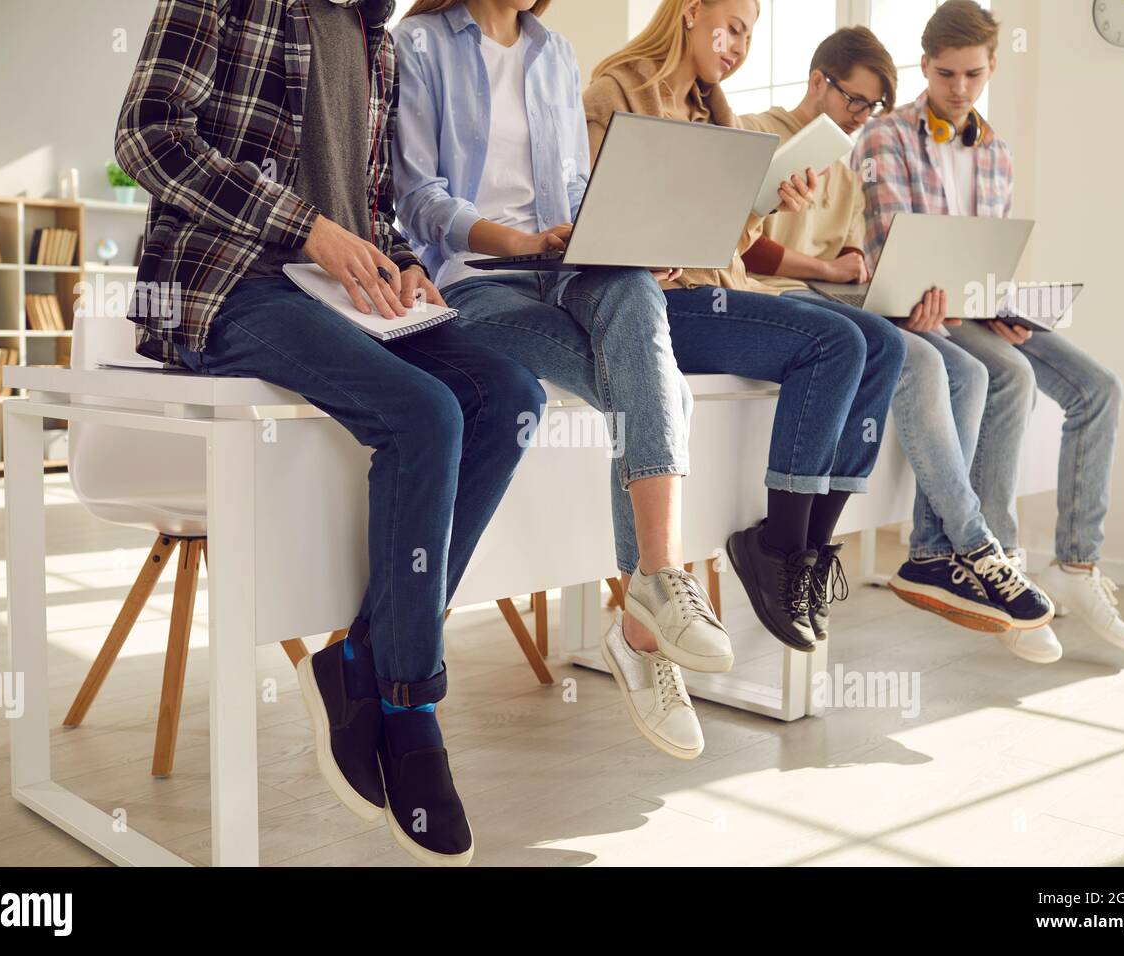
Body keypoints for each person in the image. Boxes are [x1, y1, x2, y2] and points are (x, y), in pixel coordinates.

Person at [115, 0, 548, 866]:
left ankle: (357, 656)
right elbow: (147, 137)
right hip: (230, 281)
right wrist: (307, 228)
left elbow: (366, 207)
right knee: (423, 413)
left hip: (344, 295)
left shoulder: (374, 39)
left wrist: (403, 261)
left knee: (509, 393)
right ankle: (408, 703)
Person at [392, 0, 729, 763]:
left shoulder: (558, 53)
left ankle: (654, 591)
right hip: (476, 281)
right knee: (656, 389)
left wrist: (630, 239)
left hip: (573, 267)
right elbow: (416, 194)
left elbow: (577, 192)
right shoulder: (416, 44)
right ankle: (645, 623)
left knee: (641, 298)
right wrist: (516, 239)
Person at [584, 0, 906, 652]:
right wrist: (667, 237)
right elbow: (597, 221)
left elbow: (724, 242)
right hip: (657, 304)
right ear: (691, 12)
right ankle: (776, 546)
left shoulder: (716, 113)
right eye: (730, 27)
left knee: (884, 343)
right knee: (835, 340)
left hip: (717, 290)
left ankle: (809, 550)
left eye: (749, 36)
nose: (736, 46)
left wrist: (765, 207)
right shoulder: (615, 90)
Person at [740, 26, 1054, 654]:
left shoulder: (847, 170)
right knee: (909, 356)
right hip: (772, 303)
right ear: (816, 81)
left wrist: (856, 270)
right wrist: (830, 269)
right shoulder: (754, 130)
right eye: (854, 101)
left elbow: (853, 248)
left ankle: (932, 551)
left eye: (874, 108)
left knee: (967, 371)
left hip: (838, 303)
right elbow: (743, 245)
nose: (862, 118)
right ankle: (971, 540)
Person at [853, 0, 1124, 660]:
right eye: (947, 74)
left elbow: (984, 253)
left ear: (991, 68)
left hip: (978, 307)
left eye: (974, 75)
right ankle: (1000, 559)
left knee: (1100, 388)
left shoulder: (999, 155)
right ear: (924, 66)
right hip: (917, 313)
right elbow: (897, 253)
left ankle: (1075, 567)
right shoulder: (884, 139)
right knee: (1006, 374)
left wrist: (1003, 301)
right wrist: (947, 300)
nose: (959, 89)